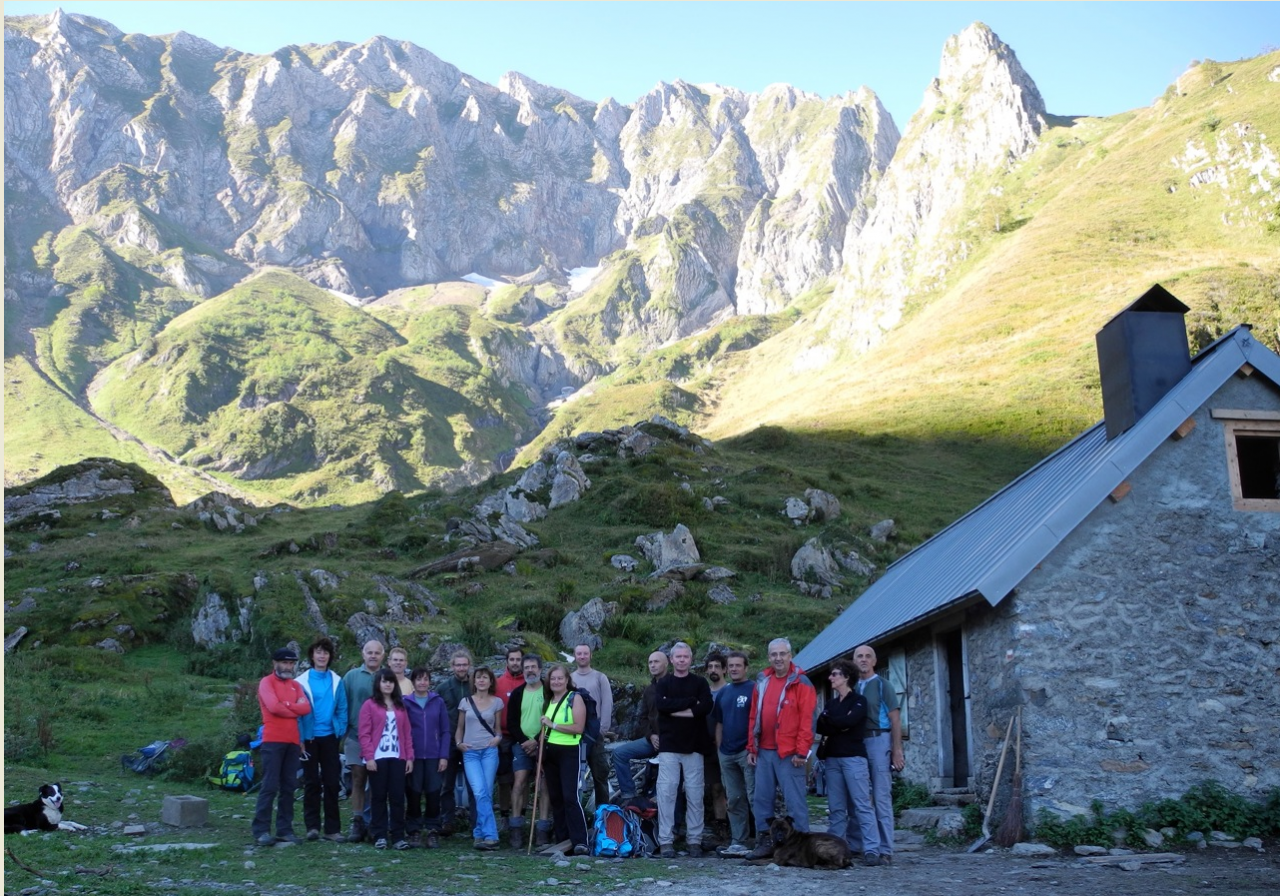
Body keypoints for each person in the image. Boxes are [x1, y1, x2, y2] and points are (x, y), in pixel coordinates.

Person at [747, 637, 816, 859]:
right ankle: (765, 842)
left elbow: (808, 720)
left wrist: (802, 751)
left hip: (790, 753)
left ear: (790, 655)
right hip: (764, 751)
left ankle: (802, 848)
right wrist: (752, 747)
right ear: (769, 657)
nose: (778, 658)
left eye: (782, 654)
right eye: (774, 654)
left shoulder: (802, 682)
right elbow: (753, 716)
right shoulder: (762, 681)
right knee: (761, 800)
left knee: (795, 802)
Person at [818, 659, 881, 865]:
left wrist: (833, 722)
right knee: (836, 808)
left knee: (861, 805)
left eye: (835, 674)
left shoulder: (859, 701)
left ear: (846, 677)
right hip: (832, 759)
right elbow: (820, 726)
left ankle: (871, 849)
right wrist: (838, 724)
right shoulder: (831, 703)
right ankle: (834, 850)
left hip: (854, 759)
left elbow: (850, 721)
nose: (830, 678)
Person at [654, 641, 713, 858]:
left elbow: (706, 706)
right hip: (669, 746)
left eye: (685, 656)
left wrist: (676, 709)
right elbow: (661, 705)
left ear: (691, 659)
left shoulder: (700, 682)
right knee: (666, 793)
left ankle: (694, 840)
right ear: (671, 659)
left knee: (695, 794)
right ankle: (666, 841)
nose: (681, 660)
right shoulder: (663, 683)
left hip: (695, 746)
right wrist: (690, 703)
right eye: (678, 656)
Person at [253, 646, 312, 846]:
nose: (288, 667)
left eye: (291, 663)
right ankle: (261, 830)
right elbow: (273, 707)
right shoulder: (266, 682)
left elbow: (306, 708)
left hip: (293, 741)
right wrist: (293, 708)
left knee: (289, 786)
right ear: (275, 663)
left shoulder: (295, 685)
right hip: (272, 740)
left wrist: (286, 706)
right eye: (285, 662)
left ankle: (284, 830)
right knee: (269, 785)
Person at [853, 643, 904, 864]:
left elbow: (895, 719)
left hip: (878, 740)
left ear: (874, 661)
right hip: (856, 743)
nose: (863, 659)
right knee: (859, 796)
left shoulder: (883, 685)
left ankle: (885, 849)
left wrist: (897, 750)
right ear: (854, 661)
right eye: (859, 656)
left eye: (868, 656)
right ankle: (862, 845)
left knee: (881, 796)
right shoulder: (852, 686)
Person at [358, 668, 414, 850]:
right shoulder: (369, 705)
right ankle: (379, 835)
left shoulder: (400, 705)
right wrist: (369, 757)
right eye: (384, 681)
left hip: (398, 757)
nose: (388, 684)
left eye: (390, 681)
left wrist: (409, 757)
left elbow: (406, 733)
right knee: (378, 797)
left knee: (397, 797)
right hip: (377, 758)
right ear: (378, 683)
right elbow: (364, 733)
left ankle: (398, 836)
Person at [298, 637, 347, 842]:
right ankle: (312, 827)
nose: (322, 656)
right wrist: (300, 738)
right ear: (312, 655)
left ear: (330, 656)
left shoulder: (336, 680)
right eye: (318, 652)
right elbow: (297, 714)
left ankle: (332, 829)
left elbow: (342, 708)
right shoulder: (300, 681)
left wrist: (339, 730)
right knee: (311, 782)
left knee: (332, 782)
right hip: (309, 738)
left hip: (330, 737)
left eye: (325, 652)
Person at [540, 662, 590, 856]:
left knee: (570, 796)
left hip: (569, 751)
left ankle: (580, 841)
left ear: (567, 680)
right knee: (556, 797)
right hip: (550, 751)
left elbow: (578, 727)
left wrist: (552, 724)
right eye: (553, 678)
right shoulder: (549, 700)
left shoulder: (574, 698)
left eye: (560, 678)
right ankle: (563, 841)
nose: (556, 681)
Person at [712, 650, 756, 857]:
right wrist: (720, 749)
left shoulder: (755, 689)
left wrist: (753, 747)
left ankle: (764, 839)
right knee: (734, 798)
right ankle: (739, 840)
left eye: (738, 665)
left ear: (746, 667)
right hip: (726, 753)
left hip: (748, 752)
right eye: (731, 666)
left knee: (755, 797)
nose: (734, 669)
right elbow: (719, 723)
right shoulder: (724, 692)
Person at [342, 639, 385, 842]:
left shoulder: (387, 677)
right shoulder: (351, 676)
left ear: (382, 656)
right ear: (363, 654)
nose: (373, 656)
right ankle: (358, 820)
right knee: (358, 779)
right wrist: (343, 732)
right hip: (356, 736)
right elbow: (343, 704)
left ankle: (375, 822)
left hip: (381, 739)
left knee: (377, 782)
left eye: (377, 652)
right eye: (370, 652)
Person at [457, 665, 504, 850]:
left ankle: (479, 833)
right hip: (470, 753)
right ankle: (491, 835)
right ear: (474, 681)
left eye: (485, 677)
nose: (482, 680)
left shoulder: (497, 702)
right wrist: (458, 743)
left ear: (491, 681)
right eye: (478, 677)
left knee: (485, 792)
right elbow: (460, 727)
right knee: (479, 792)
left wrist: (498, 739)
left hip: (489, 751)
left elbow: (498, 729)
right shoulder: (465, 702)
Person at [504, 653, 548, 849]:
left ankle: (543, 828)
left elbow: (552, 717)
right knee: (519, 782)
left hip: (545, 743)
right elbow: (511, 722)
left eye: (533, 667)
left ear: (540, 669)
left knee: (544, 784)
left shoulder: (549, 691)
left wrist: (537, 740)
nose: (530, 670)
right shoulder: (517, 693)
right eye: (527, 667)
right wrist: (525, 741)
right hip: (521, 745)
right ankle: (515, 828)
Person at [611, 650, 668, 801]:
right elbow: (642, 718)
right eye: (650, 662)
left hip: (671, 742)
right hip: (653, 741)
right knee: (619, 753)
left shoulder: (675, 685)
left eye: (656, 662)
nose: (653, 665)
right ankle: (629, 796)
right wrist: (652, 736)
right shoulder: (649, 690)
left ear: (666, 664)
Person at [404, 666, 450, 848]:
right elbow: (403, 731)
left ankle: (432, 829)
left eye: (425, 679)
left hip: (434, 755)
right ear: (413, 682)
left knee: (433, 793)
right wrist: (407, 755)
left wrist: (443, 756)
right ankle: (414, 830)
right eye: (419, 679)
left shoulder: (438, 702)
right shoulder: (406, 702)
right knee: (413, 793)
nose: (422, 683)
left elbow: (445, 731)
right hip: (413, 756)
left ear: (430, 682)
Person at [436, 648, 476, 836]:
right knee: (446, 785)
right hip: (449, 741)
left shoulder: (475, 686)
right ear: (452, 666)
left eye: (464, 665)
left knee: (474, 784)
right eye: (458, 665)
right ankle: (447, 821)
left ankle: (476, 822)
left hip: (471, 741)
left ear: (469, 666)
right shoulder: (443, 688)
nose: (461, 668)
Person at [570, 643, 614, 810]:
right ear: (575, 656)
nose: (582, 656)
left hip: (595, 733)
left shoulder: (599, 677)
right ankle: (576, 812)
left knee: (600, 773)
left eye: (585, 653)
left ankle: (602, 812)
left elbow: (607, 703)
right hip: (574, 732)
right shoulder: (570, 678)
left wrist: (602, 730)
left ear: (590, 655)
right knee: (574, 775)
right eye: (579, 653)